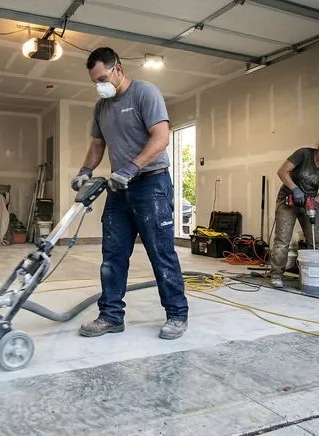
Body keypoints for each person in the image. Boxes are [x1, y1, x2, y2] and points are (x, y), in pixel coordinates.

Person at [71, 47, 188, 340]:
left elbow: (161, 138)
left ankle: (177, 314)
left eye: (103, 77)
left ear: (118, 69)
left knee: (161, 253)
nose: (100, 85)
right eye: (94, 81)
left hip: (151, 184)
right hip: (119, 189)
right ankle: (111, 316)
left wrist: (131, 168)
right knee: (112, 254)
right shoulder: (101, 107)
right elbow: (98, 145)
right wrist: (85, 170)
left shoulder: (145, 93)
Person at [270, 131, 319, 288]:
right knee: (283, 240)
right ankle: (276, 275)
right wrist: (295, 189)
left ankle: (313, 277)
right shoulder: (303, 154)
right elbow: (282, 172)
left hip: (309, 203)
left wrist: (315, 202)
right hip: (288, 201)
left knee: (317, 242)